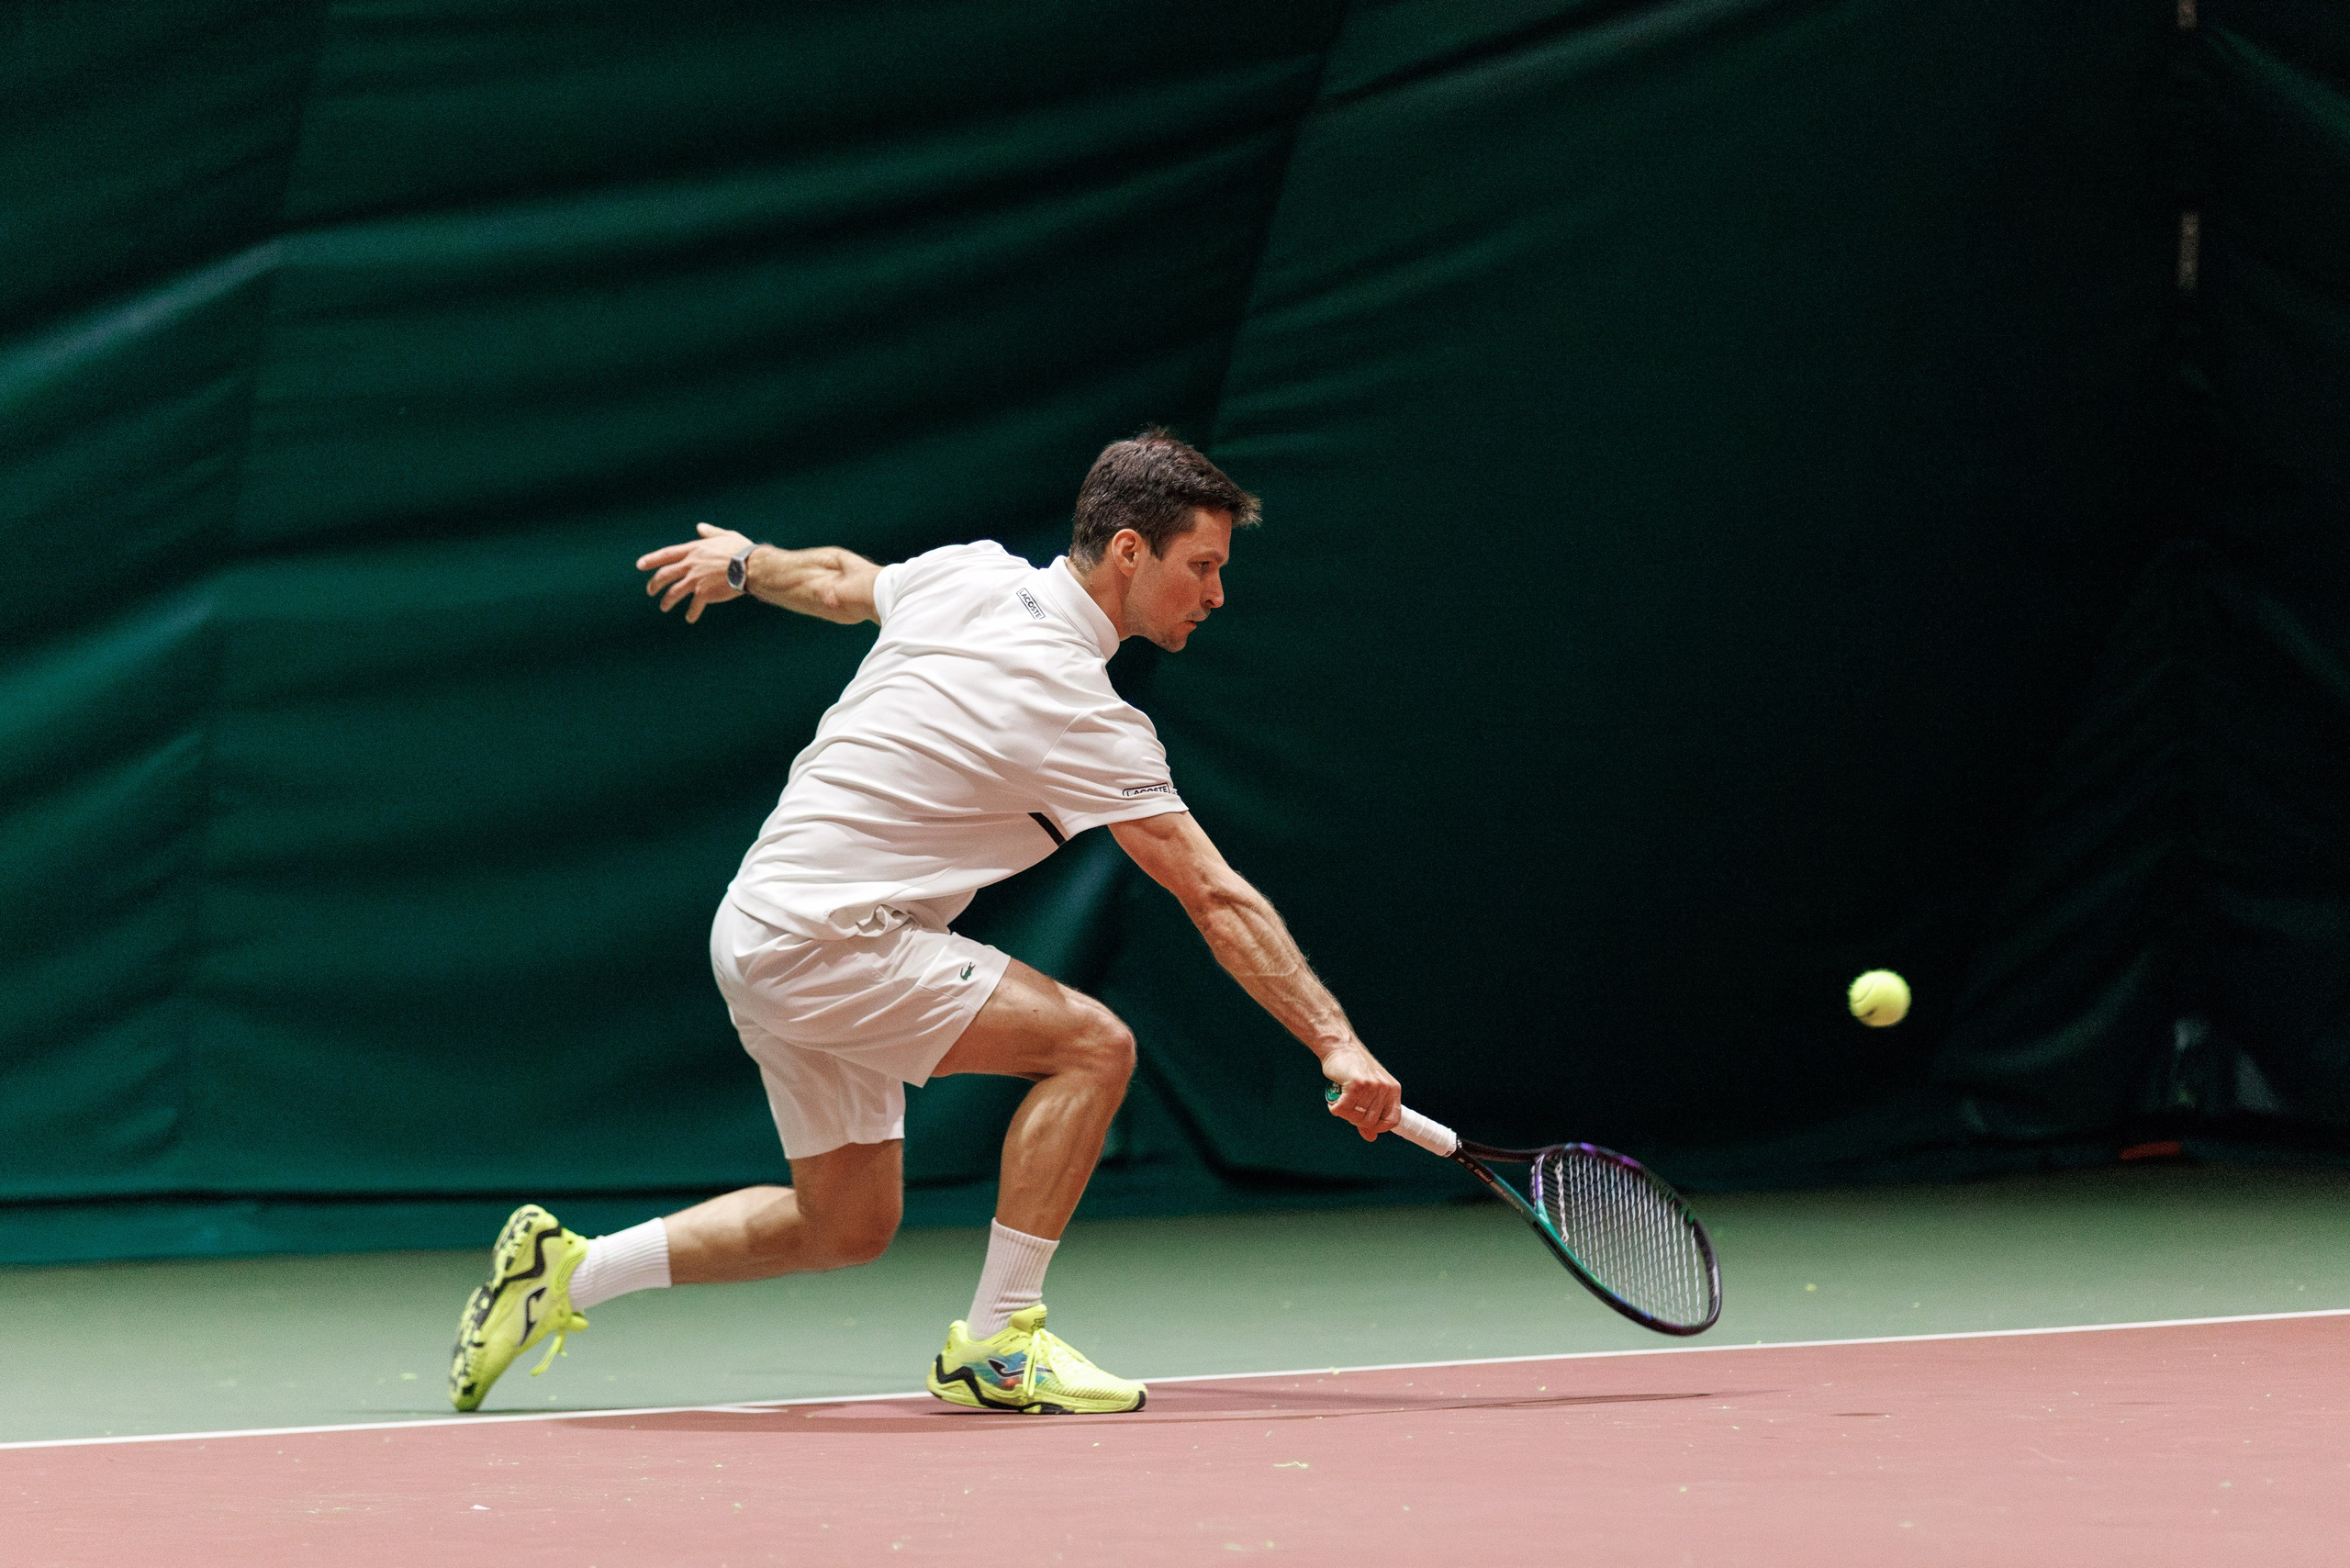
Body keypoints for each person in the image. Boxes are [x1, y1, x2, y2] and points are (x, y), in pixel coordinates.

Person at [448, 431, 1403, 1416]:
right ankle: (998, 1344)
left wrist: (742, 563)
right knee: (1092, 1050)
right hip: (830, 937)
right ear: (1128, 551)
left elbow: (835, 580)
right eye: (1200, 566)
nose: (1214, 594)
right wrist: (1336, 1041)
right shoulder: (1079, 707)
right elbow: (1215, 895)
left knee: (845, 1223)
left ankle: (565, 1272)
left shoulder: (970, 573)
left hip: (761, 923)